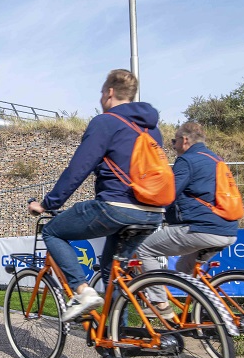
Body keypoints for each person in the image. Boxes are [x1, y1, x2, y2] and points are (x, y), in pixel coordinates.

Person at [27, 69, 165, 322]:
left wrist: (48, 204)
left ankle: (82, 291)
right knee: (112, 272)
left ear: (109, 93)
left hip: (116, 207)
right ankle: (115, 340)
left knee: (52, 232)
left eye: (102, 93)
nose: (101, 98)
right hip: (153, 213)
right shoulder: (152, 130)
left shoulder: (106, 122)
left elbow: (79, 167)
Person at [134, 121, 239, 316]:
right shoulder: (215, 159)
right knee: (184, 267)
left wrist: (145, 209)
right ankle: (204, 311)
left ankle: (159, 304)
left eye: (174, 141)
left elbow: (168, 194)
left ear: (184, 140)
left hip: (203, 229)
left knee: (144, 248)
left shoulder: (188, 160)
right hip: (228, 229)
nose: (173, 146)